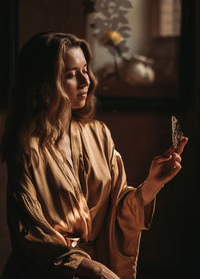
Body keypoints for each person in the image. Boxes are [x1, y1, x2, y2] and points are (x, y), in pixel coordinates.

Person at [0, 32, 188, 279]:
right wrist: (93, 268)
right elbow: (32, 236)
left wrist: (153, 184)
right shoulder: (27, 148)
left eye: (85, 69)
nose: (85, 80)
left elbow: (118, 213)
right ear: (44, 85)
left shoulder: (98, 134)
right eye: (70, 75)